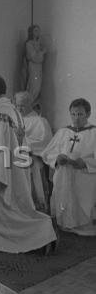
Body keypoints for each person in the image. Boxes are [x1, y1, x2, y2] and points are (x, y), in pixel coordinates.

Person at [0, 74, 56, 254]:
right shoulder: (14, 111)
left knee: (0, 211)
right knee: (18, 207)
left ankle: (39, 234)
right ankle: (43, 232)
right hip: (16, 169)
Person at [42, 98, 96, 235]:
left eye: (80, 114)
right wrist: (56, 159)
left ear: (88, 114)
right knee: (63, 198)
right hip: (64, 174)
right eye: (73, 114)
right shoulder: (63, 132)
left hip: (84, 175)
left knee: (82, 201)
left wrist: (86, 163)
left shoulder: (94, 133)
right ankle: (64, 223)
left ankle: (84, 224)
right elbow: (47, 153)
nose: (76, 118)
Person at [14, 91, 52, 211]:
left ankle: (34, 208)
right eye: (17, 105)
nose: (19, 108)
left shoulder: (40, 121)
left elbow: (44, 142)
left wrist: (23, 140)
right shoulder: (14, 120)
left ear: (30, 104)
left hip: (33, 158)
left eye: (22, 105)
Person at [22, 24, 47, 109]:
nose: (38, 32)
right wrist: (42, 52)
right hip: (33, 67)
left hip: (38, 67)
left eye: (39, 30)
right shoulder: (29, 43)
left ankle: (31, 106)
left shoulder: (39, 44)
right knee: (34, 86)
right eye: (36, 30)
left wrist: (40, 53)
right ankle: (27, 106)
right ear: (31, 32)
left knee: (38, 87)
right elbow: (34, 57)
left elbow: (40, 59)